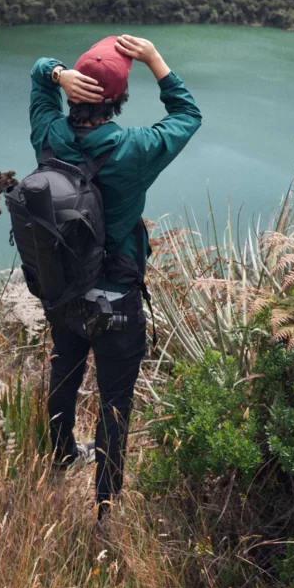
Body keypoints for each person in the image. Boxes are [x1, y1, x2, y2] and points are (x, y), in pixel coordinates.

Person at [29, 33, 201, 521]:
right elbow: (188, 115)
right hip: (116, 297)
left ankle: (62, 453)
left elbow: (38, 77)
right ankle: (106, 508)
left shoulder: (47, 133)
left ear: (73, 93)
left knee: (65, 368)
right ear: (119, 100)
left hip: (64, 290)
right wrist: (154, 60)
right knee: (115, 401)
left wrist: (55, 72)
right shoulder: (135, 149)